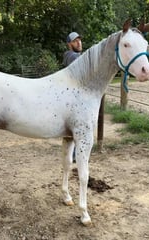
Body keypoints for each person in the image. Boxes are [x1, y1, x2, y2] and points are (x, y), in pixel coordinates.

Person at [63, 32, 83, 163]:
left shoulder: (69, 56)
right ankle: (75, 155)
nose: (79, 42)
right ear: (69, 44)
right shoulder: (72, 56)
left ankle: (74, 153)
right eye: (75, 41)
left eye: (79, 40)